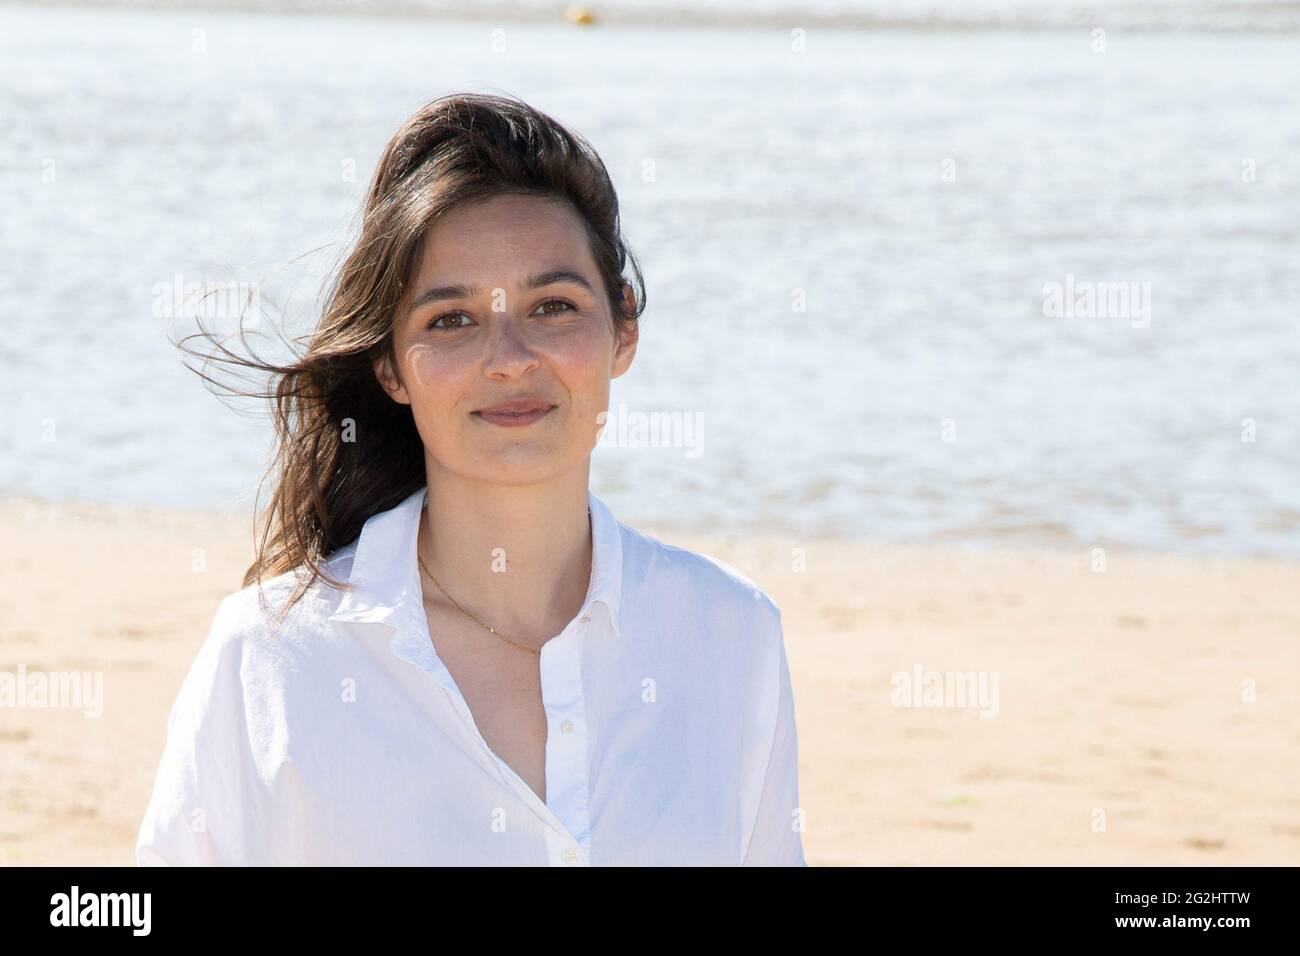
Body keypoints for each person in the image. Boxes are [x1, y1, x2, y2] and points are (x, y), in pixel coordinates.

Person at [136, 91, 805, 866]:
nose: (510, 358)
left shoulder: (731, 634)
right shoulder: (272, 659)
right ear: (390, 365)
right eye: (450, 320)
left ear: (623, 329)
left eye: (552, 306)